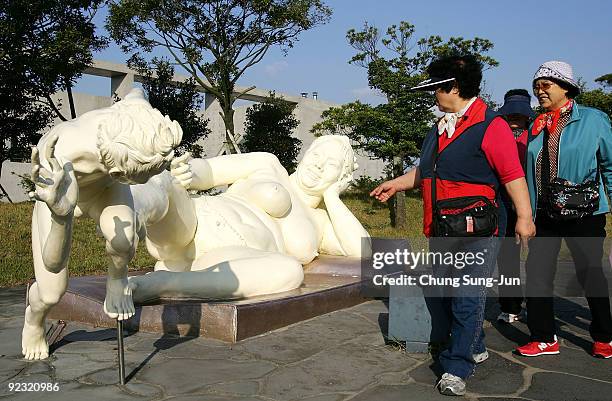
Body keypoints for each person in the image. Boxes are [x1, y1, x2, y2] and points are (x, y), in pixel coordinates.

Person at [371, 55, 535, 396]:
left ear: (454, 88)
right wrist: (397, 183)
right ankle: (474, 344)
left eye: (436, 88)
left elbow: (512, 175)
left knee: (466, 297)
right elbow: (425, 170)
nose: (433, 94)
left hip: (477, 231)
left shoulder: (492, 125)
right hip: (442, 229)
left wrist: (524, 216)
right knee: (451, 294)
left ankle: (457, 366)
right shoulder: (440, 127)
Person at [22, 89, 182, 360]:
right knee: (51, 291)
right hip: (62, 195)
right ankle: (33, 320)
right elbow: (53, 261)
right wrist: (62, 216)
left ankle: (117, 279)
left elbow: (136, 92)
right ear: (120, 173)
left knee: (124, 237)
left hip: (105, 188)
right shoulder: (59, 153)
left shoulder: (136, 113)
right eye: (137, 182)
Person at [128, 134, 370, 302]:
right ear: (307, 152)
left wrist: (333, 196)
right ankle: (125, 215)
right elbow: (211, 171)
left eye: (331, 165)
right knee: (164, 182)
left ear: (341, 178)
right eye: (317, 155)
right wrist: (189, 173)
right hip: (195, 223)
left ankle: (163, 284)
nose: (318, 166)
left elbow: (364, 249)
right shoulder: (269, 165)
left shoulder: (320, 222)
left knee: (290, 271)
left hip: (226, 261)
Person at [515, 61, 612, 359]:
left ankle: (604, 336)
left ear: (565, 87)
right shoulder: (536, 124)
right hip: (544, 213)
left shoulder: (594, 120)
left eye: (546, 85)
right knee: (538, 273)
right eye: (536, 86)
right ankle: (544, 337)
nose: (539, 91)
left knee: (590, 273)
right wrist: (526, 213)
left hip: (584, 211)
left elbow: (610, 165)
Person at [496, 89, 535, 323]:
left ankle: (534, 305)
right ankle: (510, 306)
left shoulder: (538, 134)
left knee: (537, 260)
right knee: (507, 259)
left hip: (534, 205)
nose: (515, 120)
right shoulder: (497, 134)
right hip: (502, 204)